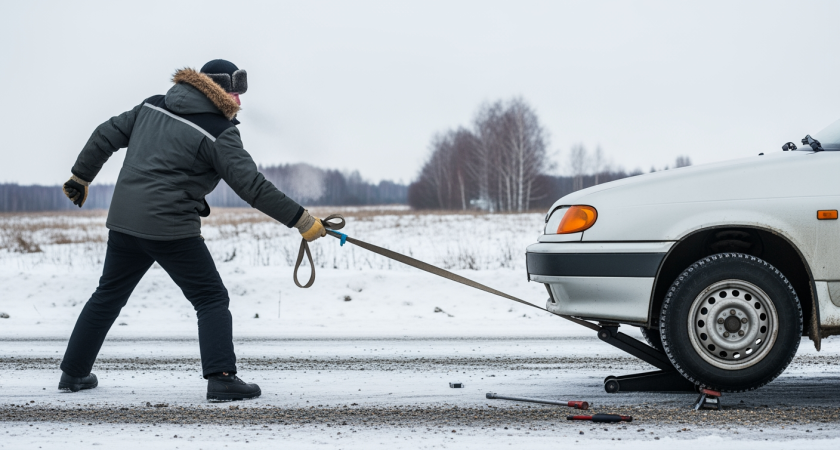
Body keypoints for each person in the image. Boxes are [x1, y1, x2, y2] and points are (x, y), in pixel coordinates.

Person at [58, 59, 326, 401]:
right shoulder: (218, 132)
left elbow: (105, 134)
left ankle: (74, 373)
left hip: (124, 222)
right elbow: (252, 186)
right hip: (170, 228)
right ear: (217, 90)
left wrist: (80, 176)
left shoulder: (151, 106)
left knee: (107, 296)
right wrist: (302, 220)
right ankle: (222, 378)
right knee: (211, 297)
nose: (240, 100)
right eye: (234, 91)